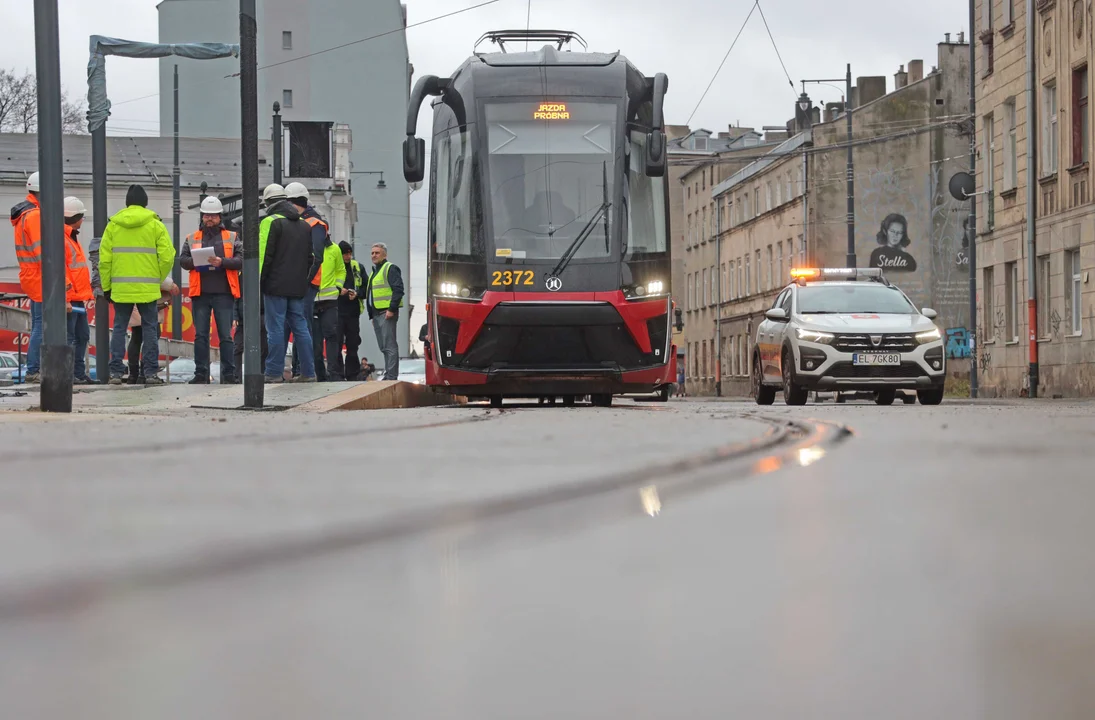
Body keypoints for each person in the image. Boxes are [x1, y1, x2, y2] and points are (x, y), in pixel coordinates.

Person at [100, 184, 175, 385]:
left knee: (119, 328)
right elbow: (168, 256)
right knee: (150, 328)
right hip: (148, 288)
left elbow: (104, 260)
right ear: (145, 203)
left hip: (121, 288)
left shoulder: (113, 226)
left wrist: (107, 287)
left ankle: (115, 373)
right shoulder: (155, 225)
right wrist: (156, 278)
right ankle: (150, 373)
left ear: (126, 203)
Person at [259, 183, 319, 383]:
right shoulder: (304, 225)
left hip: (275, 286)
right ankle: (308, 372)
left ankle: (274, 372)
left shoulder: (270, 222)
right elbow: (311, 258)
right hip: (297, 287)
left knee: (275, 329)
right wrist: (302, 280)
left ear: (268, 203)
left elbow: (264, 257)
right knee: (301, 329)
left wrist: (259, 283)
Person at [284, 182, 344, 381]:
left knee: (304, 328)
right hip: (297, 284)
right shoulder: (297, 221)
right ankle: (299, 370)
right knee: (297, 327)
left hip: (308, 286)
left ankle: (305, 371)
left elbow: (316, 257)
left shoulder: (315, 224)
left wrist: (306, 280)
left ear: (294, 203)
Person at [180, 196, 243, 384]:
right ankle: (201, 374)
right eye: (207, 215)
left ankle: (229, 375)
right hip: (201, 294)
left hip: (224, 293)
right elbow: (183, 260)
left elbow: (241, 260)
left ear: (219, 217)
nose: (209, 219)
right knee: (200, 336)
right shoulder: (192, 238)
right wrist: (196, 262)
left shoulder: (231, 237)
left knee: (225, 336)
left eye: (213, 216)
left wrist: (221, 262)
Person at [9, 172, 42, 383]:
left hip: (31, 275)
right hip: (40, 276)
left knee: (40, 323)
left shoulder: (25, 215)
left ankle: (34, 368)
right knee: (42, 324)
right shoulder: (35, 216)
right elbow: (43, 252)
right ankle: (34, 369)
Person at [62, 197, 94, 384]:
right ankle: (70, 374)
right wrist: (66, 297)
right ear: (75, 216)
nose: (83, 220)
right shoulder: (63, 239)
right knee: (71, 337)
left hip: (78, 298)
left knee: (82, 336)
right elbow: (62, 270)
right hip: (70, 299)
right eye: (81, 216)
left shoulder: (71, 237)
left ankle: (79, 373)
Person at [365, 242, 404, 381]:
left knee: (389, 346)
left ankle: (391, 376)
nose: (374, 255)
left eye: (377, 253)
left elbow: (398, 289)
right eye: (372, 253)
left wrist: (391, 309)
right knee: (383, 347)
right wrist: (372, 316)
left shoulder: (390, 268)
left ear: (384, 254)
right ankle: (389, 374)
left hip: (386, 313)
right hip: (377, 315)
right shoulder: (374, 272)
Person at [337, 241, 364, 380]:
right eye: (345, 253)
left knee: (353, 344)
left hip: (353, 313)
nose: (347, 256)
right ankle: (338, 374)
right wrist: (338, 291)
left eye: (349, 253)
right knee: (336, 344)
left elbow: (366, 288)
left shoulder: (357, 267)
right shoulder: (335, 266)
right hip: (336, 311)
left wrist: (357, 294)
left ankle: (352, 374)